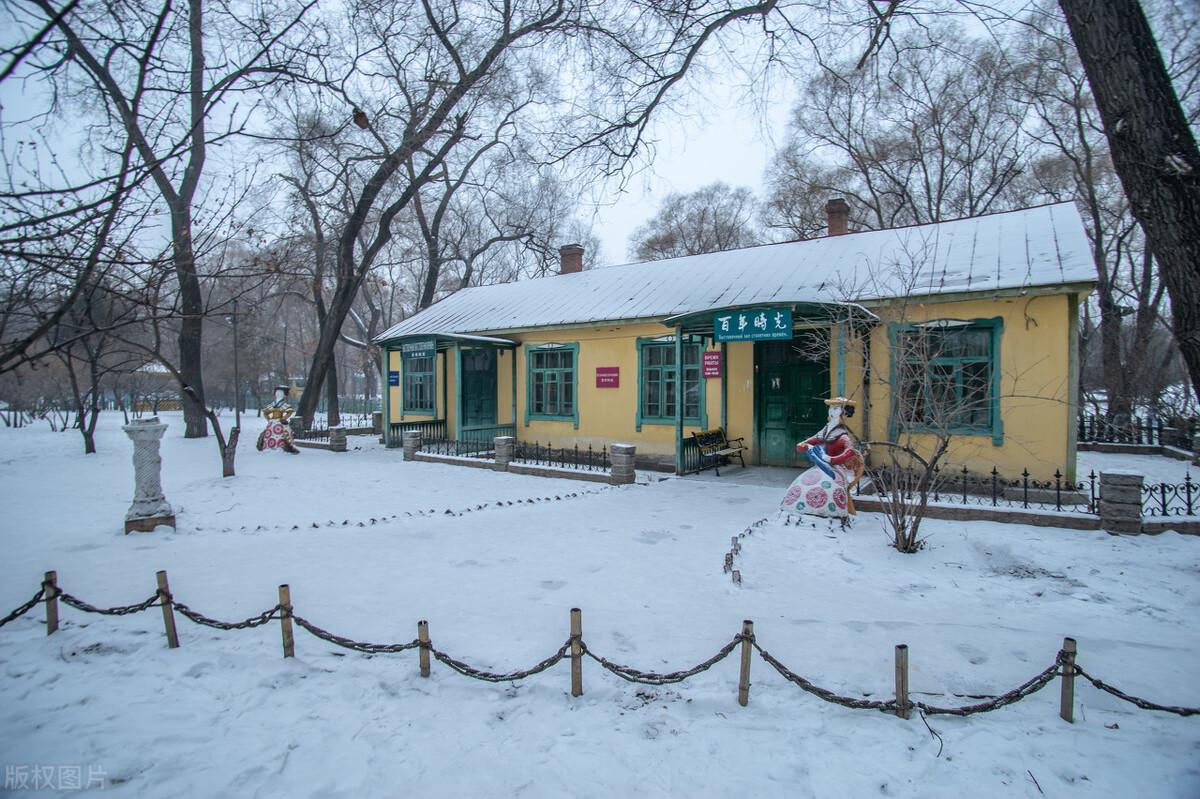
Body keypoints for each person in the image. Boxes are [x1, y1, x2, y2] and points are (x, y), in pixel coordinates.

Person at [780, 397, 864, 521]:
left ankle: (830, 515)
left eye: (836, 408)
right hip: (819, 467)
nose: (832, 411)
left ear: (845, 413)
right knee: (803, 485)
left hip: (835, 469)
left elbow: (850, 451)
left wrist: (831, 459)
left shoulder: (842, 435)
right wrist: (804, 445)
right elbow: (811, 441)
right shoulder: (825, 431)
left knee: (828, 488)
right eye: (831, 408)